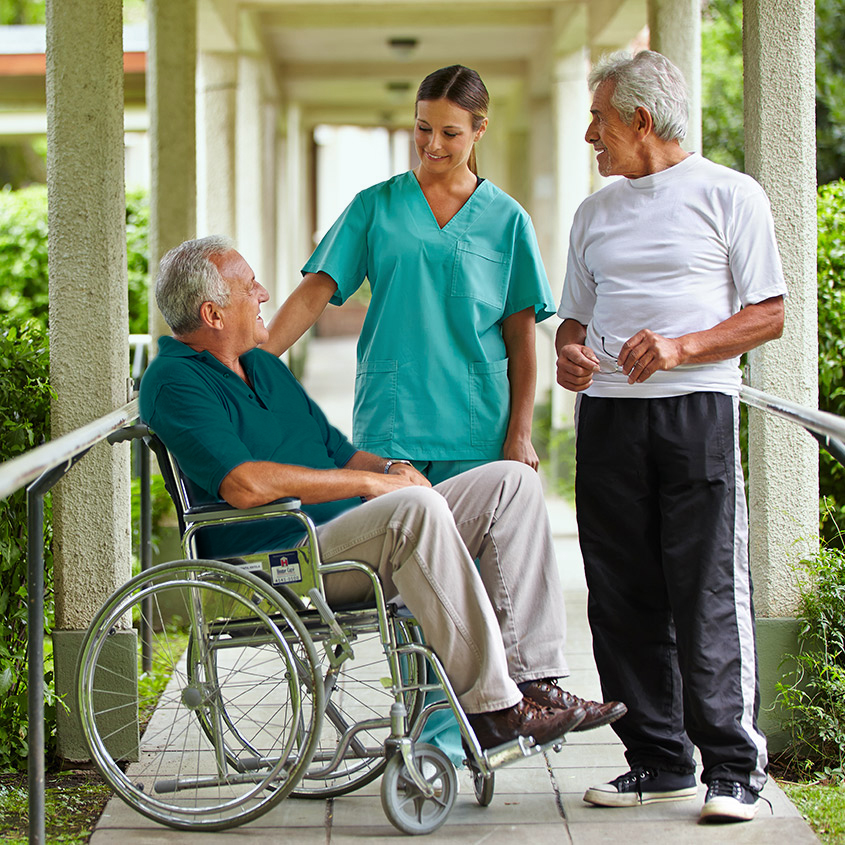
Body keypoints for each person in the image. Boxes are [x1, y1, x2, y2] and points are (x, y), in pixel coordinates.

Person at [140, 236, 625, 755]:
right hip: (284, 557)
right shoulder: (174, 381)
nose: (263, 293)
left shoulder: (261, 366)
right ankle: (494, 711)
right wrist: (375, 486)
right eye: (248, 286)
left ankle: (533, 684)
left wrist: (392, 468)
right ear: (213, 314)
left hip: (354, 536)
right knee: (411, 509)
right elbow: (244, 484)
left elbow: (339, 453)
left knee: (513, 482)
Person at [261, 64, 575, 759]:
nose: (432, 144)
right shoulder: (376, 206)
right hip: (394, 430)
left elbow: (523, 338)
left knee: (479, 591)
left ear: (479, 130)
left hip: (478, 427)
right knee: (407, 592)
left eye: (450, 133)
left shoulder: (505, 219)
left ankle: (478, 727)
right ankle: (429, 739)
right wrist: (256, 354)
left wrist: (520, 432)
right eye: (422, 128)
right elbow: (316, 293)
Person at [555, 50, 786, 824]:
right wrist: (569, 354)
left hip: (696, 413)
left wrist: (682, 346)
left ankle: (732, 768)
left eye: (598, 118)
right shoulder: (594, 213)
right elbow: (575, 322)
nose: (591, 133)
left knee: (704, 589)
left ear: (639, 120)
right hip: (610, 417)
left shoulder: (730, 193)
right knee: (620, 592)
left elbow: (768, 313)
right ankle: (657, 760)